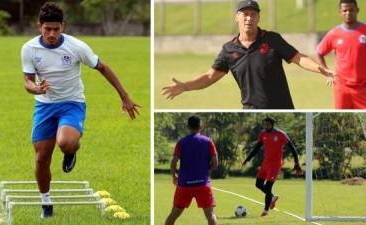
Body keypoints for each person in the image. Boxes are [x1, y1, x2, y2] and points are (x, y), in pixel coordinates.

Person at [21, 2, 140, 218]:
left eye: (56, 29)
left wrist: (125, 97)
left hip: (72, 103)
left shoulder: (76, 47)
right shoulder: (29, 49)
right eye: (47, 29)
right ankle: (46, 203)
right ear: (39, 27)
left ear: (63, 26)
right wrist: (36, 88)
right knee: (41, 159)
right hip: (44, 105)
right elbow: (27, 81)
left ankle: (71, 151)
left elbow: (102, 67)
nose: (52, 34)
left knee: (66, 143)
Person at [162, 0, 336, 109]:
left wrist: (321, 69)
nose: (249, 18)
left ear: (258, 18)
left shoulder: (272, 39)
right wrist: (185, 86)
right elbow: (210, 76)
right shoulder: (229, 49)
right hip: (251, 110)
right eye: (245, 14)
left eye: (253, 15)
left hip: (282, 107)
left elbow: (299, 58)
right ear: (236, 18)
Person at [242, 117, 302, 217]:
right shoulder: (263, 134)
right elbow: (257, 147)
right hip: (265, 163)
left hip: (275, 165)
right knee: (258, 184)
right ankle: (272, 197)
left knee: (268, 187)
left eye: (268, 124)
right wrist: (248, 158)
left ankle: (266, 211)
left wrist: (296, 162)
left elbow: (292, 148)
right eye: (265, 124)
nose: (266, 126)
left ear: (273, 124)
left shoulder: (281, 134)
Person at [165, 116, 218, 225]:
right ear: (201, 126)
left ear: (188, 126)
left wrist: (174, 176)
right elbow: (215, 163)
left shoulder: (181, 142)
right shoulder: (208, 141)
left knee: (173, 214)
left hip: (184, 184)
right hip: (203, 184)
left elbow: (173, 162)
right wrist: (207, 171)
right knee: (211, 215)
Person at [317, 0, 366, 109]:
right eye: (344, 10)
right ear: (340, 12)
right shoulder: (334, 33)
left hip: (363, 88)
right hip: (341, 88)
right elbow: (319, 52)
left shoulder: (365, 31)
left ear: (357, 11)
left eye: (351, 10)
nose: (348, 13)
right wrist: (326, 72)